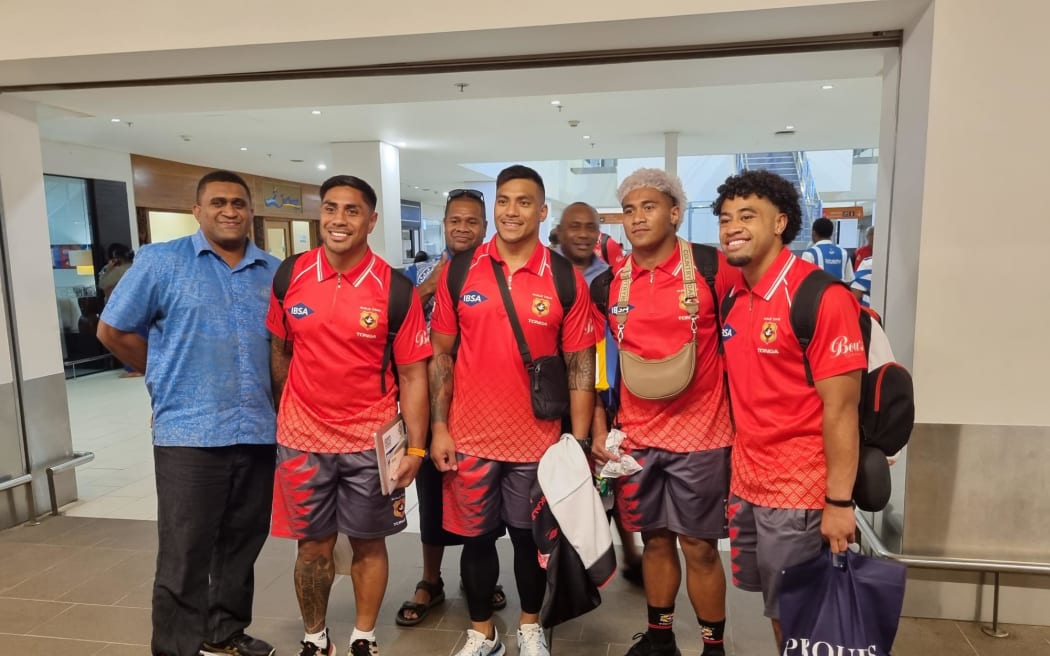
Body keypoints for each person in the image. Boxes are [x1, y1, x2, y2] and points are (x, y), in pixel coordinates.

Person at [97, 170, 279, 656]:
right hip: (189, 434)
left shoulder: (274, 271)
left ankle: (224, 634)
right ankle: (176, 647)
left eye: (239, 203)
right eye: (218, 202)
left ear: (250, 212)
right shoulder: (161, 262)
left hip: (259, 430)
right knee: (185, 551)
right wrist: (161, 373)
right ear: (197, 211)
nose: (229, 210)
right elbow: (112, 331)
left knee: (242, 543)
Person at [429, 165, 597, 656]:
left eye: (524, 202)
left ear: (543, 212)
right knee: (476, 541)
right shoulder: (462, 271)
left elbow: (580, 366)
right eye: (503, 200)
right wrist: (439, 426)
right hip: (469, 437)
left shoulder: (564, 277)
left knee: (530, 543)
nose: (511, 210)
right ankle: (482, 632)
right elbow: (441, 353)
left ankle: (529, 627)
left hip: (537, 442)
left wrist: (579, 443)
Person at [268, 175, 432, 656]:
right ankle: (316, 638)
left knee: (368, 543)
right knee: (312, 546)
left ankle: (364, 636)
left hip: (370, 440)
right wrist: (286, 412)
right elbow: (280, 350)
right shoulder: (290, 275)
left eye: (352, 211)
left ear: (371, 220)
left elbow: (414, 376)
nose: (339, 220)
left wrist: (416, 447)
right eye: (331, 208)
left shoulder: (395, 290)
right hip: (302, 439)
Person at [714, 170, 867, 652]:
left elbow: (842, 410)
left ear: (780, 222)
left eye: (747, 216)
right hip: (748, 483)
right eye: (725, 218)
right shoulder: (735, 298)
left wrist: (839, 504)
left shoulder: (820, 296)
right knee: (781, 613)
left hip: (801, 491)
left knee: (804, 616)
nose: (732, 227)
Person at [591, 169, 733, 656]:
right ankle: (660, 638)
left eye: (648, 207)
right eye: (628, 211)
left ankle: (712, 646)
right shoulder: (610, 283)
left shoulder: (715, 269)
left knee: (698, 546)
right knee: (654, 541)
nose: (637, 218)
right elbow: (594, 364)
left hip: (704, 435)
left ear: (674, 213)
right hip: (637, 438)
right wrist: (599, 428)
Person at [394, 188, 507, 626]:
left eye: (472, 221)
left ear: (485, 226)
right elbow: (395, 315)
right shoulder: (416, 272)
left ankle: (483, 576)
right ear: (443, 223)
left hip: (485, 404)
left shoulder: (497, 271)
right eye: (454, 220)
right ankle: (430, 579)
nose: (463, 228)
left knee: (484, 492)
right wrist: (431, 283)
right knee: (431, 489)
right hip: (425, 402)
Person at [553, 201, 644, 585]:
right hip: (554, 395)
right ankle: (567, 564)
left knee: (608, 475)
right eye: (575, 227)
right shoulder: (548, 274)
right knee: (562, 482)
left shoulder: (610, 278)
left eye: (591, 227)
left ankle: (626, 555)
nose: (584, 235)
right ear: (559, 230)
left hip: (605, 394)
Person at [801, 218, 853, 284]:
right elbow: (848, 280)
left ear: (814, 233)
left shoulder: (809, 254)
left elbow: (804, 281)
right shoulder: (844, 253)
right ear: (831, 233)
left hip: (819, 293)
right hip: (840, 293)